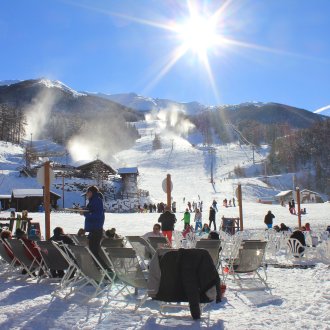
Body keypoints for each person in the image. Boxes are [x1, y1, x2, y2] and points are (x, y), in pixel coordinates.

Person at [82, 185, 106, 268]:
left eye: (87, 192)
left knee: (94, 253)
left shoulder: (97, 201)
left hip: (96, 230)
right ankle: (99, 270)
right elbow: (91, 211)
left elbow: (97, 215)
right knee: (93, 252)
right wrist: (84, 210)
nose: (87, 194)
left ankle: (107, 271)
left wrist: (85, 213)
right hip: (94, 230)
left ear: (91, 192)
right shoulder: (93, 201)